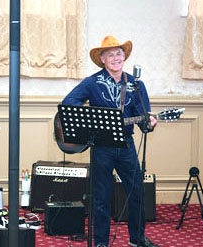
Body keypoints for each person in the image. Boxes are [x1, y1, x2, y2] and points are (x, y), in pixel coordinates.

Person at [62, 36, 159, 247]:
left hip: (126, 146)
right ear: (103, 59)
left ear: (124, 57)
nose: (116, 58)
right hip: (101, 148)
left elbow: (144, 120)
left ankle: (137, 239)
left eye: (119, 54)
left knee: (137, 193)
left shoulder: (136, 84)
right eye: (111, 55)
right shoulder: (92, 82)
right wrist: (91, 120)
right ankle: (100, 242)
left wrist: (150, 122)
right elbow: (69, 102)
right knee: (101, 198)